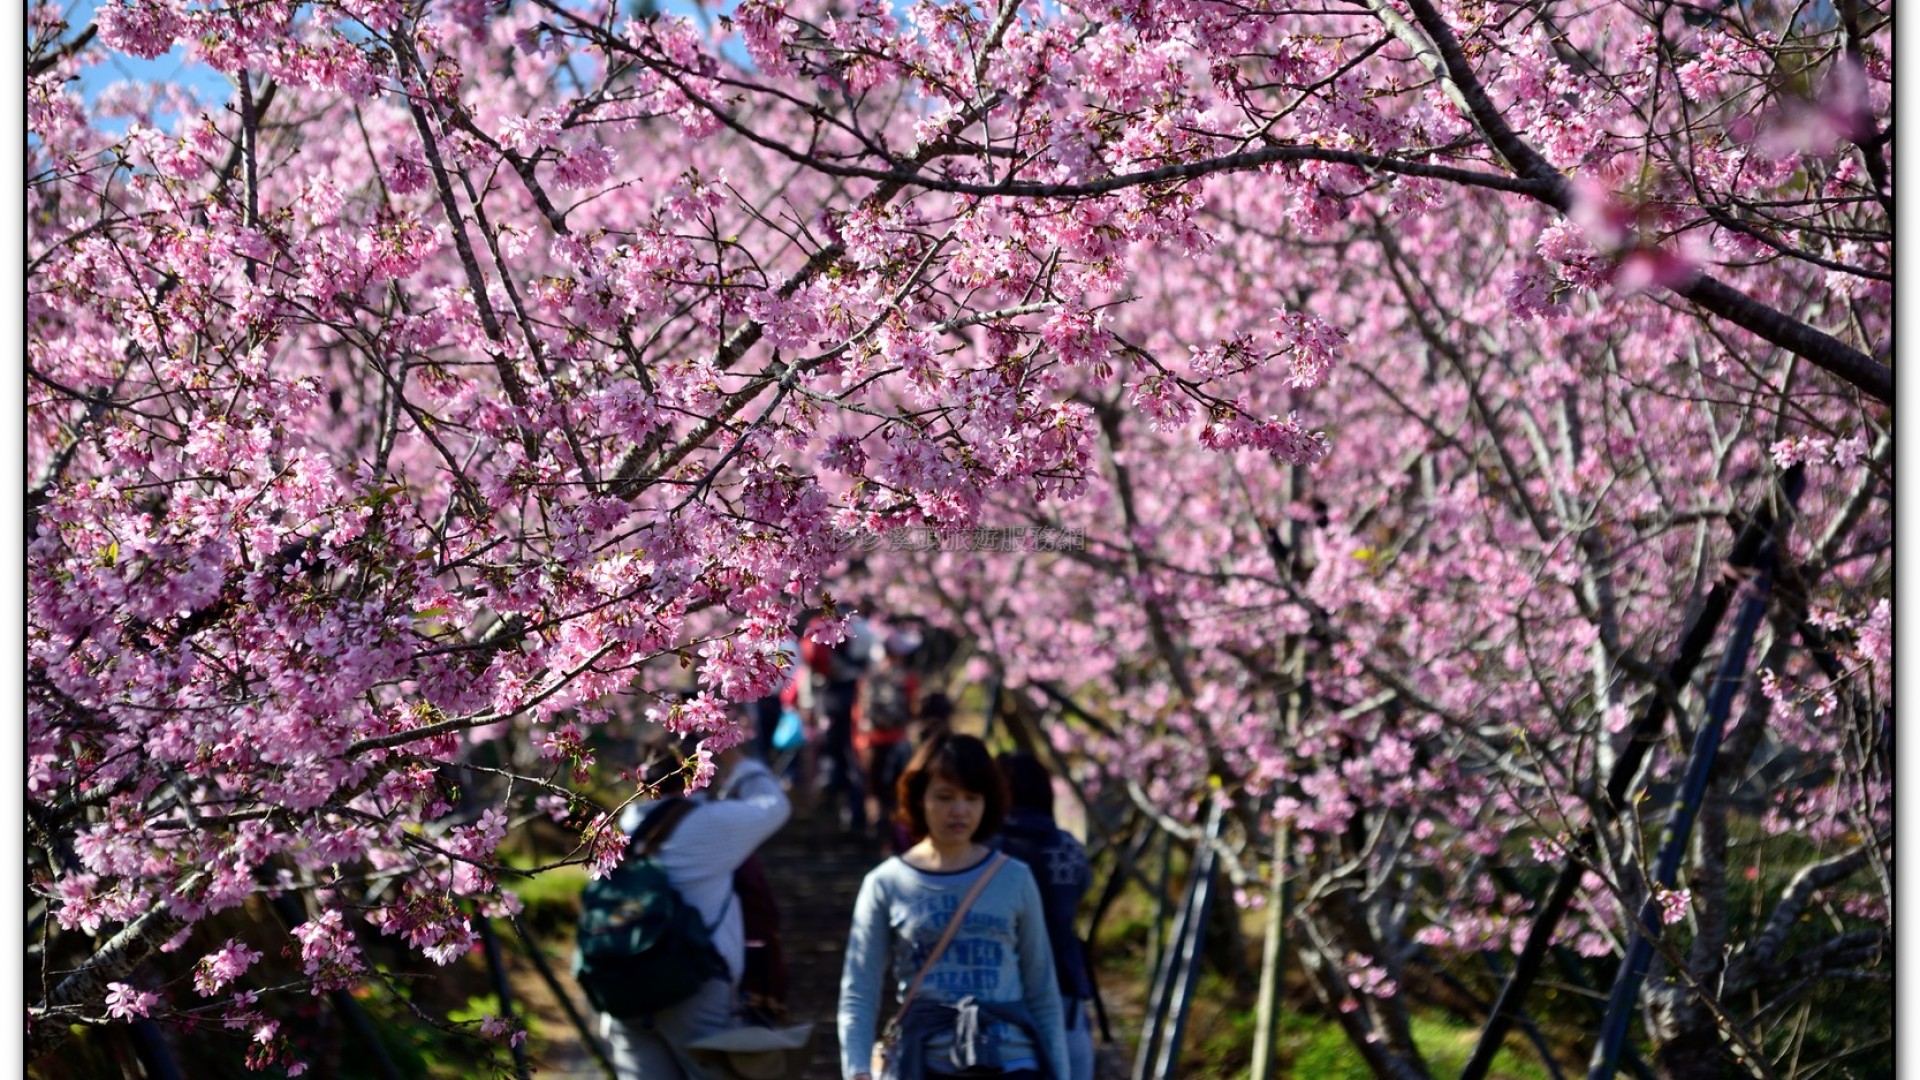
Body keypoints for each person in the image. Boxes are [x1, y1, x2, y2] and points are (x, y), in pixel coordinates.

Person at [838, 733, 1070, 1080]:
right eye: (945, 797)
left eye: (972, 798)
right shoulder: (885, 883)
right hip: (923, 1062)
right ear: (919, 799)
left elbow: (1042, 991)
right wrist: (857, 1069)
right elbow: (860, 989)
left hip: (1011, 1061)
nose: (959, 811)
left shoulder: (1015, 878)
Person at [605, 735, 793, 1079]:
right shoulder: (708, 822)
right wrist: (738, 760)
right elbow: (774, 806)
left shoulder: (623, 823)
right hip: (693, 987)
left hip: (622, 988)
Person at [994, 753, 1096, 1080]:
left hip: (1005, 991)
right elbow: (1081, 891)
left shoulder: (989, 851)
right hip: (1064, 983)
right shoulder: (1068, 847)